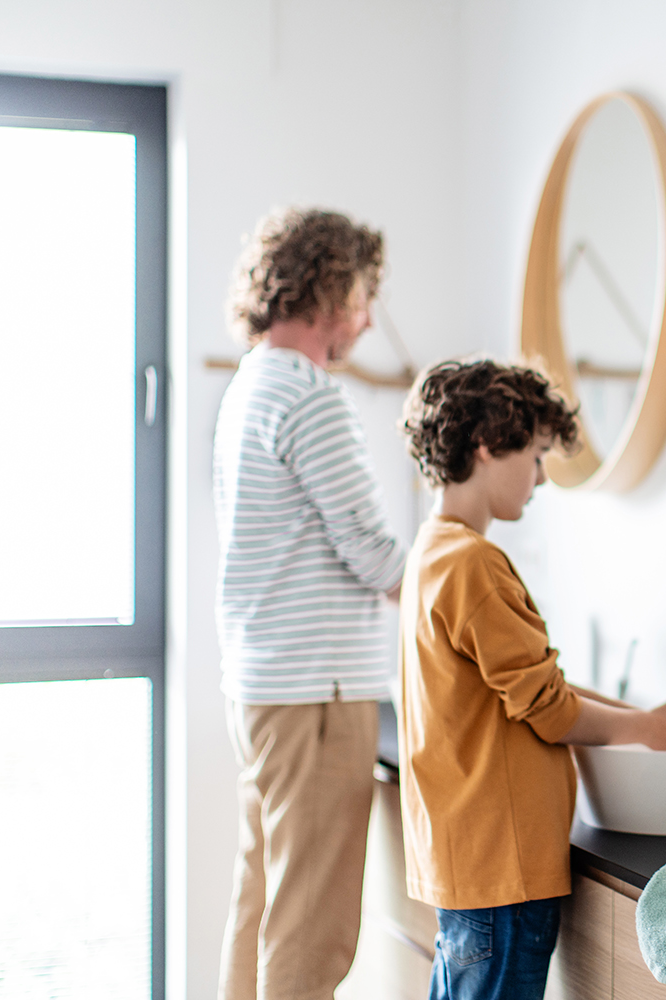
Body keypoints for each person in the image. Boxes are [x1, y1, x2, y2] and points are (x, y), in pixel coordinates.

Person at [397, 359, 666, 1000]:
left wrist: (649, 722)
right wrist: (646, 727)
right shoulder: (475, 563)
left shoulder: (432, 552)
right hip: (504, 870)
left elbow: (534, 687)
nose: (539, 478)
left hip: (467, 860)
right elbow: (550, 710)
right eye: (534, 456)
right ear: (486, 443)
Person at [213, 207, 407, 1000]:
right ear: (330, 291)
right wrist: (456, 595)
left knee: (260, 904)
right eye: (362, 296)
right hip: (317, 693)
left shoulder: (250, 386)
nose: (366, 319)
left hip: (263, 685)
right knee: (312, 932)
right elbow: (370, 550)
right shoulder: (310, 396)